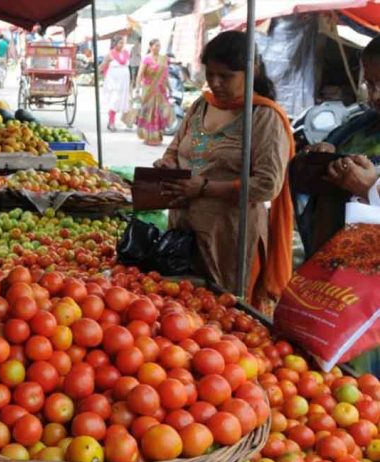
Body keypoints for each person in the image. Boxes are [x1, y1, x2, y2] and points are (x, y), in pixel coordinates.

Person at [155, 31, 295, 312]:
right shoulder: (201, 105)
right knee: (182, 310)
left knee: (226, 313)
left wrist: (204, 188)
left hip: (230, 238)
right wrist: (168, 164)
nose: (215, 83)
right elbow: (174, 149)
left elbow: (267, 184)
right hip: (183, 230)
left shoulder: (263, 117)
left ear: (251, 70)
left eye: (226, 76)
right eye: (210, 73)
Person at [298, 35, 380, 256]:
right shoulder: (356, 128)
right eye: (370, 84)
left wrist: (370, 189)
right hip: (334, 266)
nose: (375, 95)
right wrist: (320, 160)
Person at [135, 39, 173, 146]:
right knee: (149, 113)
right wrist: (137, 89)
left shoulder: (163, 59)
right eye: (156, 45)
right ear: (151, 46)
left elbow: (165, 76)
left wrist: (170, 88)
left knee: (159, 112)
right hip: (149, 89)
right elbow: (140, 75)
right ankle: (148, 136)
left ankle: (157, 136)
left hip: (161, 90)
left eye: (159, 46)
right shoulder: (146, 58)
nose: (158, 48)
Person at [101, 36, 131, 132]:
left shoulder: (126, 53)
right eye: (120, 43)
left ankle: (125, 121)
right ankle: (111, 122)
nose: (122, 45)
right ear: (115, 44)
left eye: (123, 43)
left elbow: (127, 67)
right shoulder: (110, 54)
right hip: (113, 82)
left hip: (124, 82)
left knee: (120, 102)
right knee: (114, 102)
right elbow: (103, 65)